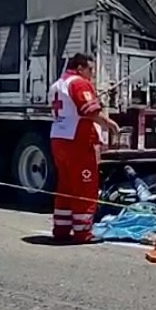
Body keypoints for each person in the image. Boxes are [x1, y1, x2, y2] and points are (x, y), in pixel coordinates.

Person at [49, 53, 120, 243]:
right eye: (90, 70)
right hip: (78, 142)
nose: (92, 75)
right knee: (84, 188)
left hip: (59, 139)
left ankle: (61, 229)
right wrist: (111, 125)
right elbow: (90, 111)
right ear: (80, 68)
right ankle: (83, 232)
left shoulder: (57, 84)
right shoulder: (79, 83)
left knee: (65, 186)